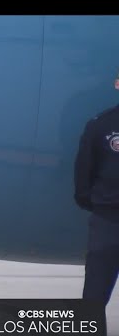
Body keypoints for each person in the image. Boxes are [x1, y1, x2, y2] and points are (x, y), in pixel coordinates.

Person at [74, 74, 119, 314]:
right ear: (117, 84)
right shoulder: (101, 125)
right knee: (95, 292)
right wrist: (99, 204)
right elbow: (84, 170)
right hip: (108, 219)